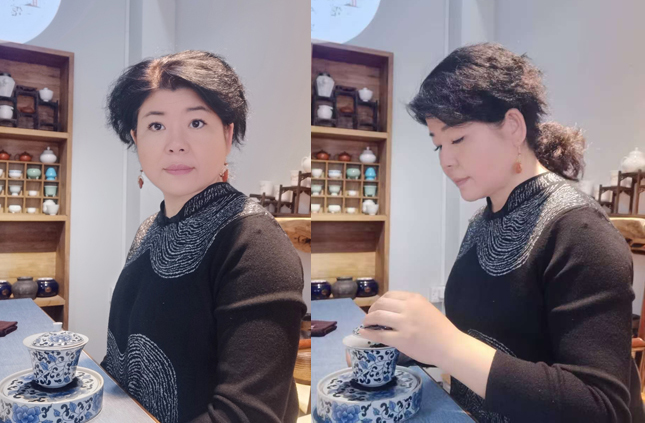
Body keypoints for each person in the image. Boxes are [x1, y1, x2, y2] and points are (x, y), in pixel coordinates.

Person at [358, 43, 645, 422]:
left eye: (457, 139)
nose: (446, 160)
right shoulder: (481, 222)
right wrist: (405, 341)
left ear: (513, 127)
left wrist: (445, 344)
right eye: (438, 145)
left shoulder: (580, 230)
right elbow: (487, 334)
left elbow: (602, 408)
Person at [101, 50, 306, 423]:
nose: (176, 143)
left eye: (196, 122)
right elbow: (122, 362)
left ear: (227, 134)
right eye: (156, 126)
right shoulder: (149, 230)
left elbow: (246, 416)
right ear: (135, 138)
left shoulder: (254, 242)